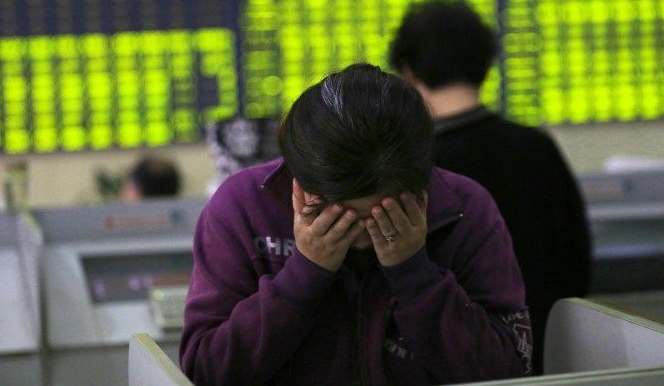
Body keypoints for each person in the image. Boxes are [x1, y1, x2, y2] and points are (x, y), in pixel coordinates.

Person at [179, 63, 531, 385]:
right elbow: (207, 372)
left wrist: (414, 274)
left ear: (422, 186)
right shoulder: (242, 206)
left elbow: (507, 371)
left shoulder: (465, 210)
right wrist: (304, 275)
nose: (363, 239)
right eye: (338, 218)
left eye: (382, 215)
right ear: (297, 182)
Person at [389, 0, 592, 375]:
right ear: (485, 65)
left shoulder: (411, 166)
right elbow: (576, 264)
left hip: (453, 365)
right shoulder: (537, 148)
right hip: (546, 361)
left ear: (408, 72)